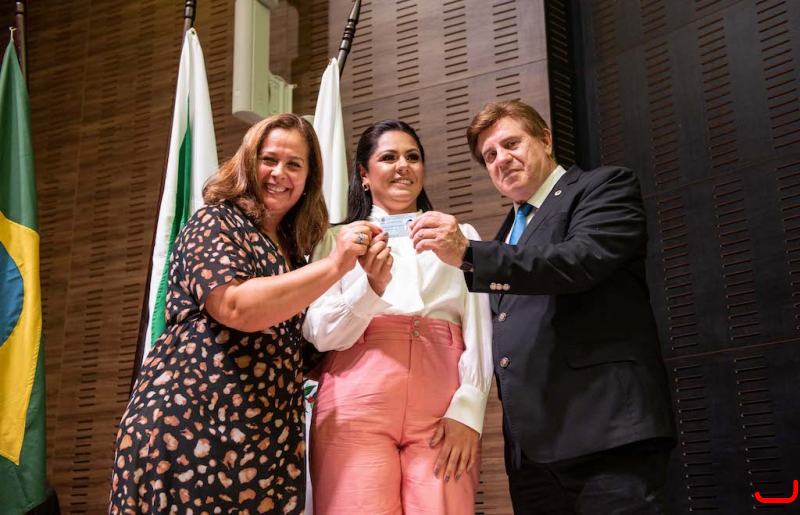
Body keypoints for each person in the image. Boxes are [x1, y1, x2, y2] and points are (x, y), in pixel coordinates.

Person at [410, 101, 676, 514]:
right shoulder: (505, 234)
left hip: (605, 433)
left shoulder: (604, 187)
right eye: (489, 156)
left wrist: (469, 252)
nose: (501, 159)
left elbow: (577, 261)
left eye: (511, 144)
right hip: (532, 454)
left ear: (546, 140)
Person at [109, 113, 382, 514]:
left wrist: (372, 287)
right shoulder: (214, 221)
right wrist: (335, 266)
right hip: (189, 431)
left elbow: (306, 351)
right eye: (268, 159)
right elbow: (235, 306)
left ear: (309, 180)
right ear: (247, 162)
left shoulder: (295, 255)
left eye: (294, 164)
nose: (279, 173)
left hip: (263, 447)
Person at [303, 120, 493, 514]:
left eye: (413, 157)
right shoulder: (335, 240)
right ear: (364, 173)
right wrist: (369, 289)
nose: (403, 166)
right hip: (354, 400)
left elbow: (480, 329)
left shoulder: (460, 234)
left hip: (443, 403)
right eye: (388, 157)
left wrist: (469, 409)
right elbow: (319, 333)